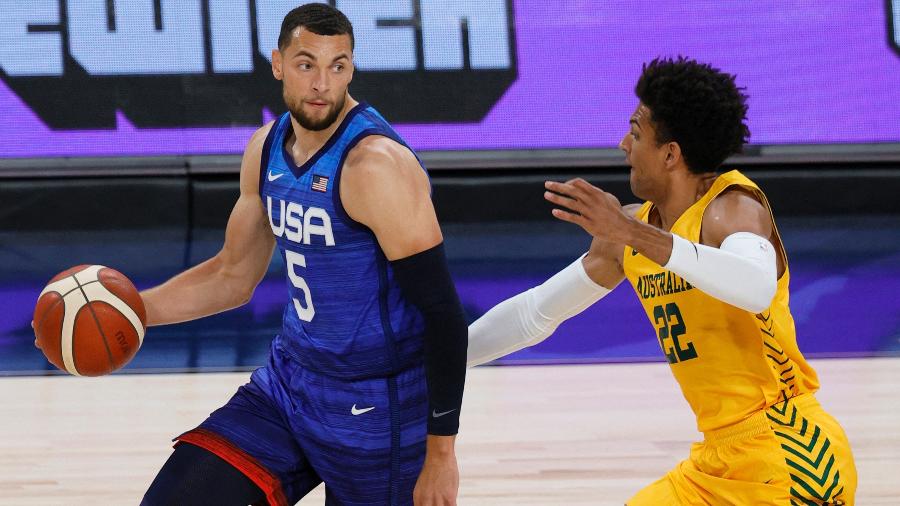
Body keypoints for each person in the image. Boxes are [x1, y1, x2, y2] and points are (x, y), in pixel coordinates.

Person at [466, 57, 857, 505]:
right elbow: (536, 312)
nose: (622, 145)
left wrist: (633, 233)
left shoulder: (730, 208)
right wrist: (442, 361)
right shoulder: (632, 232)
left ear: (670, 153)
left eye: (635, 133)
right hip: (717, 461)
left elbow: (754, 286)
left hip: (791, 454)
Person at [137, 5, 467, 505]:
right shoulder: (266, 148)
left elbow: (443, 314)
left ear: (352, 68)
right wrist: (127, 312)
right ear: (278, 63)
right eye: (306, 63)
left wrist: (441, 454)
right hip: (291, 386)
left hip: (380, 408)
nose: (322, 83)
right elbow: (232, 276)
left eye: (338, 65)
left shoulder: (374, 166)